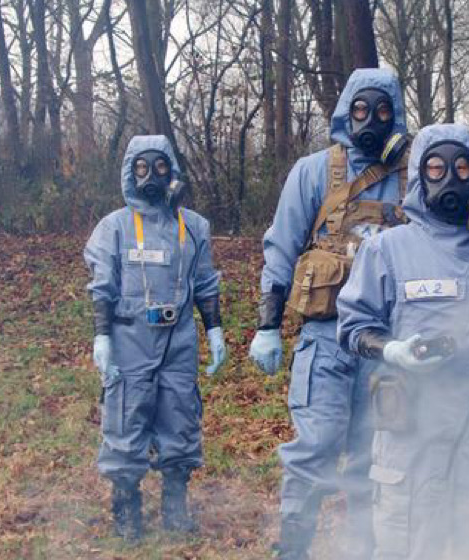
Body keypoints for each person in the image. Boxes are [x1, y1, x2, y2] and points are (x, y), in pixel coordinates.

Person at [337, 123, 469, 560]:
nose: (450, 178)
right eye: (436, 168)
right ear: (418, 175)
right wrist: (392, 350)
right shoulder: (386, 250)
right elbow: (352, 327)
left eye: (462, 167)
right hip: (411, 436)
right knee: (409, 547)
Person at [248, 68, 412, 560]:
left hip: (389, 344)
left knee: (375, 452)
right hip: (327, 336)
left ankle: (366, 547)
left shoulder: (413, 175)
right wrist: (268, 325)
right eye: (361, 109)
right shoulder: (313, 171)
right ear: (346, 111)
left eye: (382, 111)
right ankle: (293, 546)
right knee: (316, 444)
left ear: (395, 116)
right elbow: (282, 245)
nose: (370, 120)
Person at [83, 134, 227, 541]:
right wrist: (102, 336)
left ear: (172, 171)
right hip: (130, 338)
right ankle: (126, 508)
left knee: (180, 417)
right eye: (142, 168)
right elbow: (102, 286)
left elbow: (205, 282)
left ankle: (175, 507)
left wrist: (214, 329)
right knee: (126, 417)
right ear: (131, 173)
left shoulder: (193, 227)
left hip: (178, 340)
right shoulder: (114, 228)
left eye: (159, 167)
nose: (151, 176)